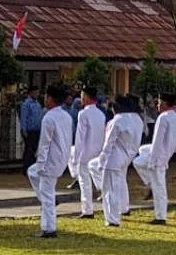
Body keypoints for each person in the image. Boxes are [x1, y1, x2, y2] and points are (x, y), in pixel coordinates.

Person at [27, 84, 73, 238]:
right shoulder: (66, 115)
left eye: (46, 97)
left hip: (50, 161)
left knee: (46, 195)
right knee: (31, 172)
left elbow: (44, 143)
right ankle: (52, 200)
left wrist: (41, 162)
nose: (44, 100)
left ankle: (49, 228)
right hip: (61, 158)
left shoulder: (49, 117)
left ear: (51, 99)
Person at [89, 95, 142, 227]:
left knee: (109, 190)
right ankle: (122, 208)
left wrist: (102, 161)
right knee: (119, 184)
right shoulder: (135, 120)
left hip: (113, 159)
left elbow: (108, 144)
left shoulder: (116, 121)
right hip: (126, 157)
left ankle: (112, 219)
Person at [133, 92, 176, 225]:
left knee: (159, 187)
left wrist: (153, 160)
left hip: (159, 155)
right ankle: (148, 183)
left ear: (165, 104)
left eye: (159, 103)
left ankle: (161, 216)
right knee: (139, 158)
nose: (158, 106)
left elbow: (157, 140)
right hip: (166, 153)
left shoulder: (163, 117)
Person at [67, 89, 106, 218]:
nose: (81, 99)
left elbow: (80, 137)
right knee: (97, 178)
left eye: (83, 96)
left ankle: (87, 210)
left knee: (85, 182)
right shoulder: (101, 114)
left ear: (89, 98)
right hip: (98, 150)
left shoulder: (83, 114)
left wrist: (76, 155)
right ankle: (106, 204)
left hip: (86, 151)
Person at [19, 86, 43, 175]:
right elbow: (23, 118)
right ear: (31, 93)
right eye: (35, 92)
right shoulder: (26, 104)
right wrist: (23, 129)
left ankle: (32, 169)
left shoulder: (37, 104)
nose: (37, 94)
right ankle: (26, 169)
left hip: (37, 130)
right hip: (29, 131)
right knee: (29, 150)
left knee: (34, 150)